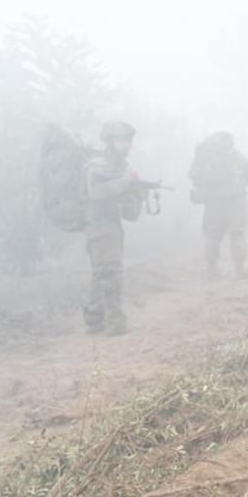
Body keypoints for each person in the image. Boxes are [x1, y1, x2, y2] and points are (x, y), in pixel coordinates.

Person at [82, 120, 142, 335]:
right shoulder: (97, 166)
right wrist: (127, 182)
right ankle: (115, 323)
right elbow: (97, 193)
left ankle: (94, 321)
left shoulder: (120, 168)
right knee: (111, 273)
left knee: (101, 273)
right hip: (100, 226)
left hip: (110, 225)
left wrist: (136, 194)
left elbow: (130, 213)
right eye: (120, 140)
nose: (125, 145)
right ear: (108, 142)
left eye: (127, 141)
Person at [189, 131, 248, 278]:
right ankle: (240, 269)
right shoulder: (238, 157)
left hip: (213, 202)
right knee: (237, 234)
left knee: (212, 235)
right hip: (236, 201)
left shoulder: (205, 157)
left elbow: (193, 175)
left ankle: (211, 269)